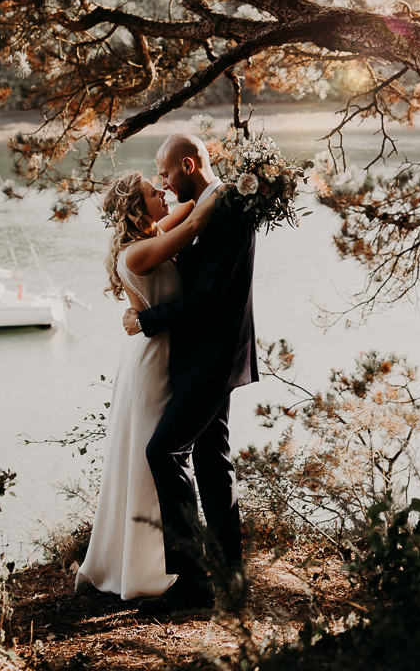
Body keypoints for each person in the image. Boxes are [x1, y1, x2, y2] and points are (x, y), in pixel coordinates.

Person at [122, 133, 258, 617]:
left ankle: (195, 582)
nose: (161, 181)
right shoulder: (206, 203)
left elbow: (208, 297)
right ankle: (229, 576)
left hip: (213, 355)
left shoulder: (228, 208)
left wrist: (147, 321)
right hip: (200, 355)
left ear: (186, 164)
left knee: (164, 449)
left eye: (164, 173)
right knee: (211, 461)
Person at [75, 170, 222, 601]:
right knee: (152, 461)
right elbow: (194, 222)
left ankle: (166, 561)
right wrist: (237, 186)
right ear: (137, 211)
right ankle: (146, 567)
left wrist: (188, 183)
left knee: (160, 459)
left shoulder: (152, 233)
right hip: (152, 364)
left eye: (159, 188)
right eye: (151, 193)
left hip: (163, 356)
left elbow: (190, 207)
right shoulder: (138, 253)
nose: (162, 193)